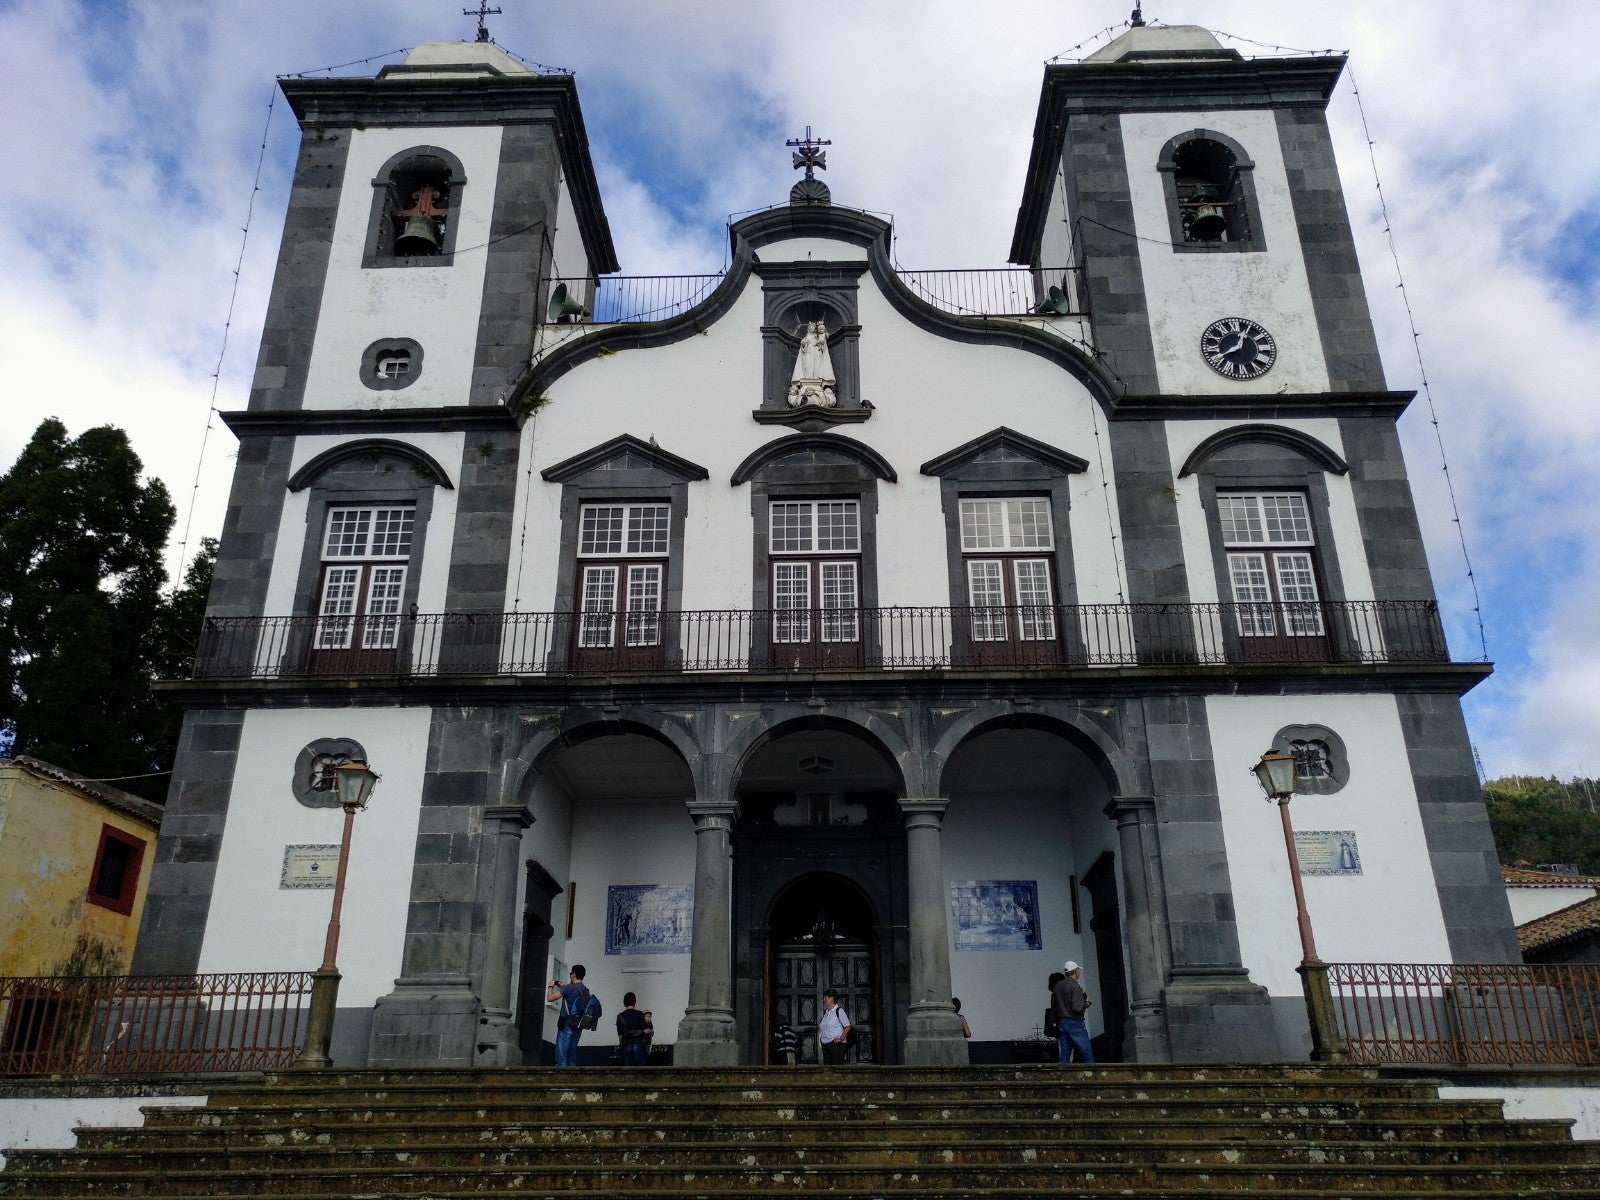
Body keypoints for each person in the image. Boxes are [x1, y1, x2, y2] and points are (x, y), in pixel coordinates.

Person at [1051, 960, 1094, 1064]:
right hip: (1075, 1023)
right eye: (1078, 969)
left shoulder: (1058, 986)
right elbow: (1077, 1008)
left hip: (1062, 1023)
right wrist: (1087, 1003)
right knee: (1086, 1051)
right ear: (1075, 971)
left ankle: (1063, 1077)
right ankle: (1092, 1075)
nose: (1079, 972)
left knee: (1065, 1055)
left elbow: (1054, 1006)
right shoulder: (1075, 986)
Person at [546, 964, 588, 1067]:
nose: (570, 976)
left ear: (574, 974)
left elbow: (550, 998)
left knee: (562, 1058)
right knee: (571, 1057)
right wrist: (564, 987)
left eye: (570, 973)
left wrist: (551, 986)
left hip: (566, 1024)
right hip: (578, 1026)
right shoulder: (586, 990)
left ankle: (561, 1079)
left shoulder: (569, 988)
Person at [817, 988, 852, 1065]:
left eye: (825, 998)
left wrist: (841, 1038)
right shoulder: (825, 1013)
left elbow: (848, 1027)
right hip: (825, 1045)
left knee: (836, 1068)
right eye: (823, 998)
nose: (823, 1000)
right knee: (827, 1070)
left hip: (836, 1045)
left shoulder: (839, 1011)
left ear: (832, 998)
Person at [616, 991, 649, 1066]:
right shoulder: (639, 1014)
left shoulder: (620, 1016)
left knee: (627, 1071)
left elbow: (620, 1036)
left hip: (626, 1045)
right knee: (639, 1071)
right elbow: (645, 1031)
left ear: (624, 1002)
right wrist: (651, 1032)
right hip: (638, 1044)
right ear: (635, 1002)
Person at [1044, 971, 1065, 1039]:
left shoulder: (1054, 994)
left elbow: (1055, 1009)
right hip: (1067, 1022)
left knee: (1063, 1045)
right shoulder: (1063, 993)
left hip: (1058, 1023)